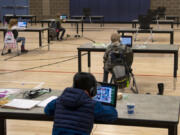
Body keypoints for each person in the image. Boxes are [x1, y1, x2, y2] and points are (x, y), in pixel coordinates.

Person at [44, 72, 118, 135]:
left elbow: (47, 110)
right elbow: (113, 115)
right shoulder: (92, 105)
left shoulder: (59, 100)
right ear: (92, 91)